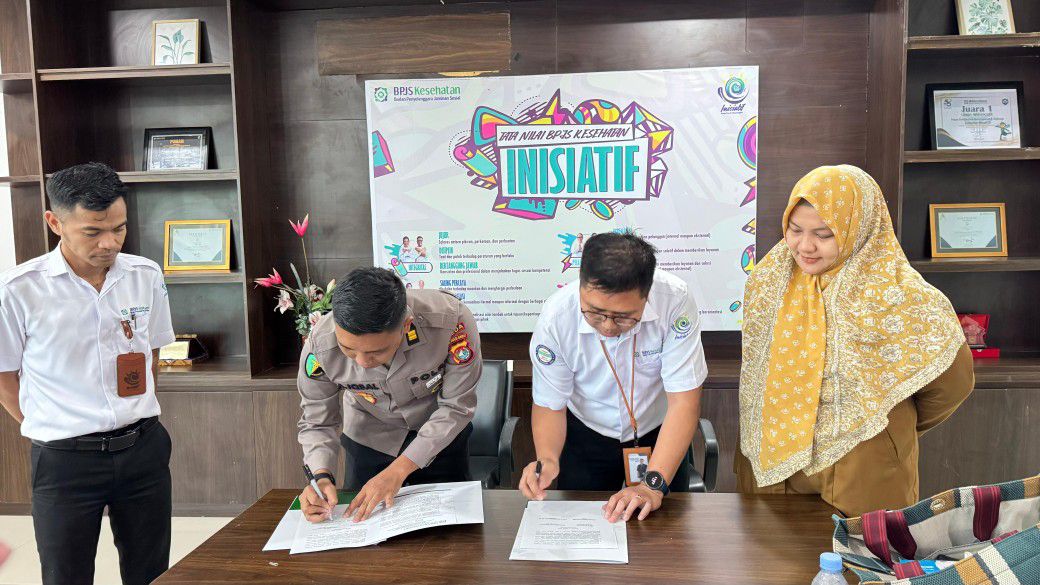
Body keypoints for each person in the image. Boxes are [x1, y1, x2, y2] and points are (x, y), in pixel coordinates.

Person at [735, 164, 974, 516]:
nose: (804, 246)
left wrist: (889, 428)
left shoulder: (901, 294)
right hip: (772, 459)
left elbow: (952, 383)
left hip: (863, 457)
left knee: (863, 550)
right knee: (769, 548)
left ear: (859, 227)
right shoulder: (769, 279)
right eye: (795, 229)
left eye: (824, 234)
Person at [0, 162, 176, 585]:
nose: (109, 242)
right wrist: (52, 425)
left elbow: (150, 355)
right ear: (55, 223)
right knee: (66, 575)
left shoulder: (145, 275)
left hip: (143, 449)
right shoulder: (18, 290)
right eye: (93, 232)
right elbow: (4, 378)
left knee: (152, 573)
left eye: (119, 228)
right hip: (64, 461)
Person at [519, 232, 708, 523]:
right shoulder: (557, 316)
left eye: (623, 317)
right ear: (581, 285)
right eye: (595, 313)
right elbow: (550, 403)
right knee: (584, 526)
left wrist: (652, 486)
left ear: (646, 294)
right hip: (586, 433)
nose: (607, 327)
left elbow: (684, 402)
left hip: (659, 433)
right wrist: (547, 458)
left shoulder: (674, 300)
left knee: (666, 529)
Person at [297, 267, 481, 523]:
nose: (362, 362)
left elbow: (456, 407)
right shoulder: (320, 344)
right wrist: (320, 477)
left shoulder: (451, 321)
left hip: (440, 440)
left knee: (451, 533)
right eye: (348, 349)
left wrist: (399, 470)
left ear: (406, 325)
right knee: (365, 531)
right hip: (369, 440)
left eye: (376, 352)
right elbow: (317, 421)